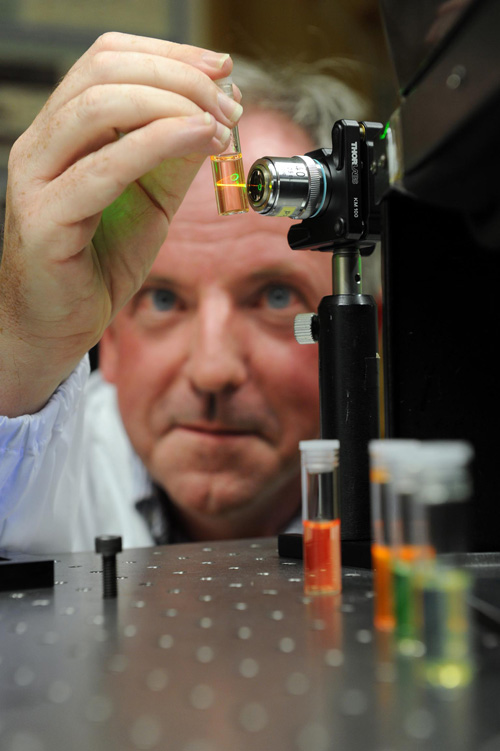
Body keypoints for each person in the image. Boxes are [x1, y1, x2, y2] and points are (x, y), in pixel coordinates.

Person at [0, 33, 372, 553]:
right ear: (112, 340)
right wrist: (26, 345)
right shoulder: (37, 475)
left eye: (274, 297)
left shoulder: (419, 506)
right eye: (164, 300)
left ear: (365, 336)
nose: (212, 370)